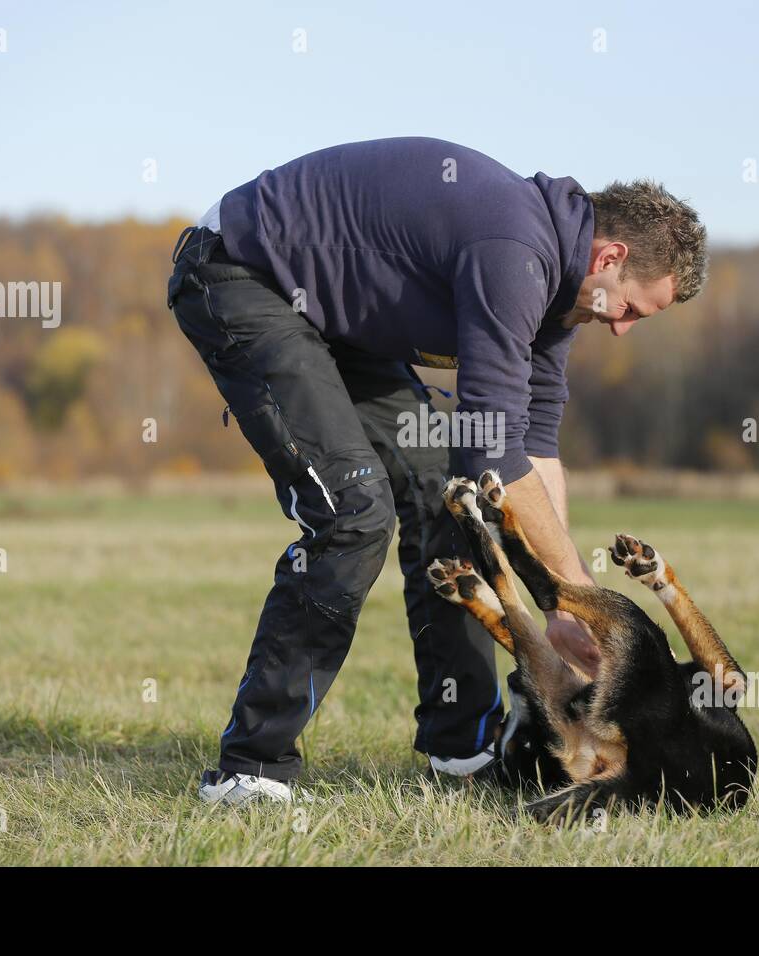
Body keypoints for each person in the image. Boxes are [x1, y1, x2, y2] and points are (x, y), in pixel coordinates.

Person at [165, 137, 707, 806]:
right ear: (612, 257)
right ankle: (251, 769)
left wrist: (566, 604)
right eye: (631, 308)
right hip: (242, 276)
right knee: (353, 514)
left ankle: (463, 750)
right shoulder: (516, 252)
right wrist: (573, 593)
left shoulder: (560, 297)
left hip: (336, 324)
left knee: (450, 507)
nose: (624, 329)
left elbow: (532, 445)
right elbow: (493, 455)